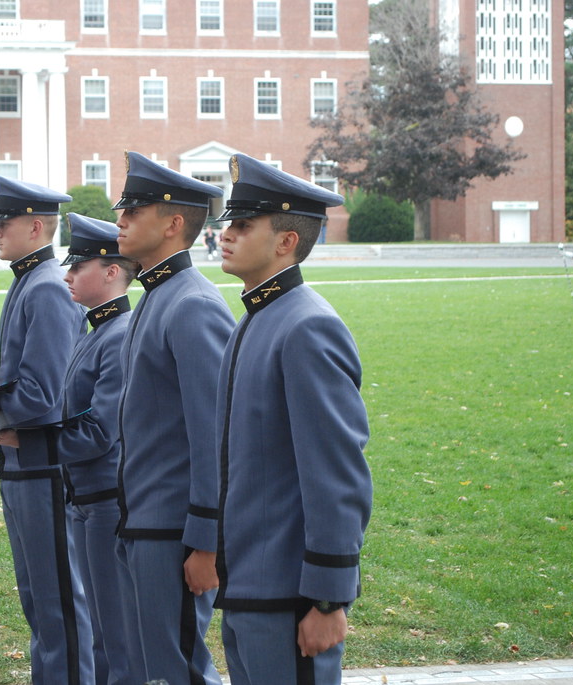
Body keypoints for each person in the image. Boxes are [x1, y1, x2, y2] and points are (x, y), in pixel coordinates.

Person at [213, 153, 373, 685]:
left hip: (289, 595)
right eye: (227, 224)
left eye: (242, 225)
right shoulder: (255, 320)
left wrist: (328, 598)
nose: (225, 235)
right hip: (250, 588)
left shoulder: (306, 327)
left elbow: (335, 473)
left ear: (286, 241)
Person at [0, 176, 91, 685]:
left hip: (44, 466)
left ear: (36, 226)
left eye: (4, 223)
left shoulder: (47, 287)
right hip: (24, 465)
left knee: (60, 609)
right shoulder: (30, 280)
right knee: (42, 603)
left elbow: (40, 394)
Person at [0, 213, 138, 685]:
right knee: (90, 629)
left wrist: (19, 437)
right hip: (82, 497)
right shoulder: (96, 331)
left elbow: (99, 431)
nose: (68, 274)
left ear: (113, 271)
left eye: (79, 267)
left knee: (111, 636)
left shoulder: (118, 336)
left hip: (102, 501)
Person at [112, 151, 234, 685]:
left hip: (173, 532)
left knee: (175, 671)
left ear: (173, 223)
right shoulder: (156, 298)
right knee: (151, 668)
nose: (120, 220)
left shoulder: (191, 304)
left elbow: (214, 434)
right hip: (144, 522)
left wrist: (206, 541)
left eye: (133, 210)